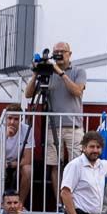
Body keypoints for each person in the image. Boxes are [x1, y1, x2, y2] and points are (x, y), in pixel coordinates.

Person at [26, 41, 85, 197]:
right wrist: (36, 73)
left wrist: (59, 72)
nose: (58, 54)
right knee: (55, 165)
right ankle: (61, 201)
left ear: (69, 54)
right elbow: (28, 94)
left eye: (62, 51)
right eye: (56, 51)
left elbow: (77, 91)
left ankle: (75, 199)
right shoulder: (48, 73)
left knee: (77, 164)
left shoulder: (78, 71)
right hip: (53, 126)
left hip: (74, 126)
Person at [1, 111, 34, 200]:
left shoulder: (27, 130)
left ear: (21, 120)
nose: (12, 122)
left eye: (16, 119)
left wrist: (10, 164)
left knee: (28, 170)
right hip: (1, 161)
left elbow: (27, 159)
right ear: (5, 118)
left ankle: (19, 204)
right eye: (10, 118)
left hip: (18, 162)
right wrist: (6, 136)